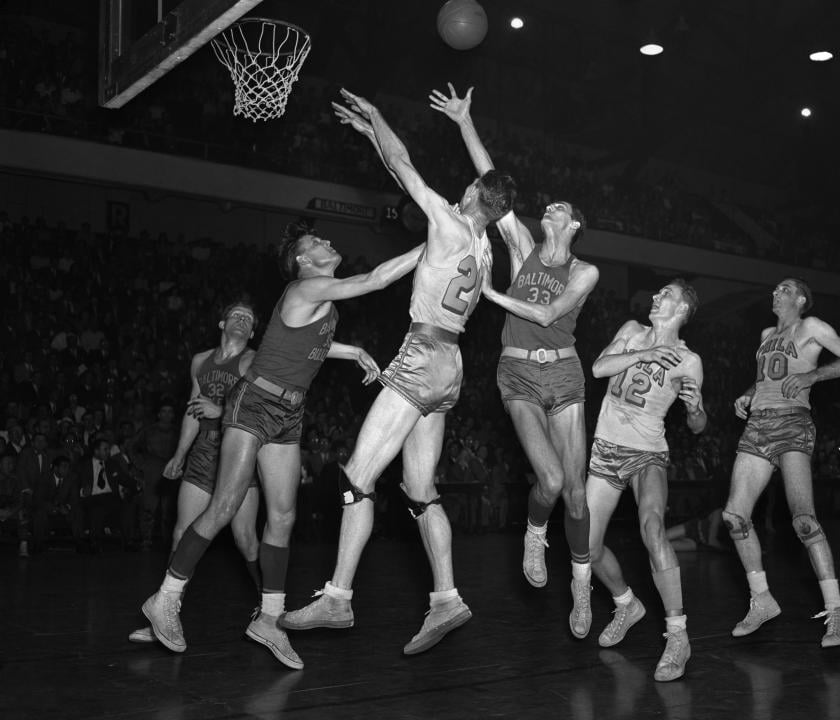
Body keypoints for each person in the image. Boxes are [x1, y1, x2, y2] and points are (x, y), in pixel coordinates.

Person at [279, 89, 516, 655]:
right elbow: (484, 188)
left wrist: (378, 118)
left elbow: (403, 164)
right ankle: (446, 598)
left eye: (467, 185)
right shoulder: (486, 249)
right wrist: (380, 138)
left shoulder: (451, 223)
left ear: (472, 195)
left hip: (422, 354)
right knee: (419, 488)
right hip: (453, 363)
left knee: (357, 475)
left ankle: (337, 597)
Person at [140, 219, 424, 670]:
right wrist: (436, 243)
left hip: (290, 413)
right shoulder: (305, 289)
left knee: (284, 516)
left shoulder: (317, 302)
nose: (328, 242)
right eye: (317, 242)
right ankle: (166, 598)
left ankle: (269, 619)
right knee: (225, 506)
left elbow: (297, 345)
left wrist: (352, 352)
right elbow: (374, 280)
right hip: (254, 403)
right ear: (303, 261)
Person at [430, 83, 599, 638]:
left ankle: (580, 588)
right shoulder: (522, 246)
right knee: (548, 481)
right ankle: (534, 532)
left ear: (572, 226)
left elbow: (552, 315)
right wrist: (464, 122)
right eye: (548, 205)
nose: (550, 206)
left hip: (566, 370)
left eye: (561, 208)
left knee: (575, 491)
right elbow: (493, 182)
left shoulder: (584, 271)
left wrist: (491, 293)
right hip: (519, 372)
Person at [723, 278, 840, 648]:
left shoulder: (812, 327)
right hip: (758, 425)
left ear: (801, 299)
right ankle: (762, 599)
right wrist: (748, 393)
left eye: (785, 289)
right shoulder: (767, 332)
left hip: (793, 423)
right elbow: (766, 377)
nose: (776, 292)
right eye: (775, 289)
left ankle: (836, 613)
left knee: (803, 519)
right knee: (734, 517)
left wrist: (813, 374)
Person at [585, 280, 706, 681]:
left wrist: (695, 411)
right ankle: (626, 604)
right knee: (586, 546)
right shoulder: (631, 331)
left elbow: (698, 425)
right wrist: (647, 351)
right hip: (605, 448)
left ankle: (678, 636)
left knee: (653, 528)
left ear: (683, 309)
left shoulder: (689, 361)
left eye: (666, 294)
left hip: (647, 452)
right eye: (656, 292)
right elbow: (599, 368)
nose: (656, 296)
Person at [129, 299, 261, 644]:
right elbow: (193, 410)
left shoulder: (253, 360)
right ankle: (165, 615)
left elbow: (255, 407)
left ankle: (269, 609)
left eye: (249, 319)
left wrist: (220, 409)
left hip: (238, 453)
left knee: (245, 540)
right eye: (237, 315)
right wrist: (179, 454)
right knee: (180, 533)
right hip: (204, 452)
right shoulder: (200, 361)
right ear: (222, 323)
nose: (243, 321)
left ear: (253, 330)